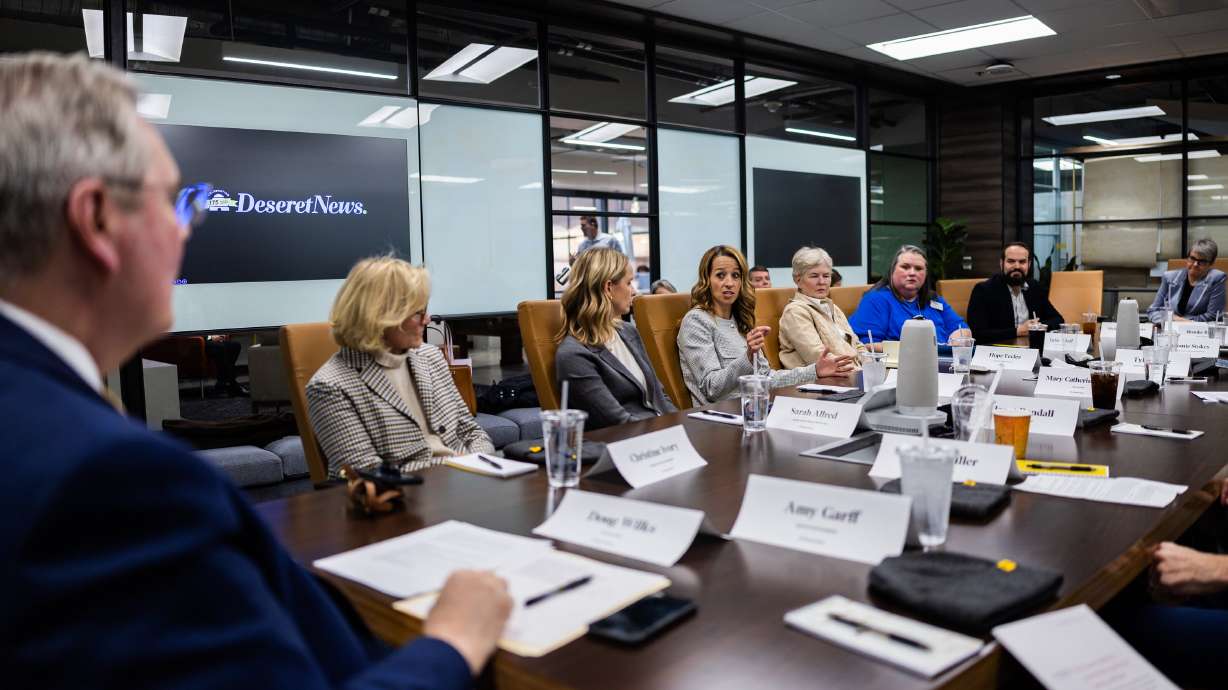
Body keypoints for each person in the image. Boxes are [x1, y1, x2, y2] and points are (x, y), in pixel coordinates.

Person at [0, 53, 510, 689]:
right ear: (97, 219)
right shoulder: (108, 475)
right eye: (172, 202)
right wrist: (455, 641)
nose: (187, 230)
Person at [307, 256, 494, 480]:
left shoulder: (430, 357)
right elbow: (366, 474)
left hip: (470, 481)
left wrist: (482, 464)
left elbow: (472, 432)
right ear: (379, 316)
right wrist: (457, 467)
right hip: (407, 496)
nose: (427, 319)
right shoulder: (329, 386)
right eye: (418, 312)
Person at [677, 245, 855, 405]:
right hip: (722, 417)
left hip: (758, 408)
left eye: (736, 275)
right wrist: (747, 357)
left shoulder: (741, 321)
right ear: (706, 279)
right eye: (720, 275)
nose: (729, 283)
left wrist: (815, 370)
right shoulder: (696, 321)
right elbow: (712, 388)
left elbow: (767, 378)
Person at [556, 248, 676, 430]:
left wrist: (682, 425)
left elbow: (659, 395)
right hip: (629, 441)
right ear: (609, 288)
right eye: (629, 283)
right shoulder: (573, 355)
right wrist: (668, 433)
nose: (634, 291)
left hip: (661, 433)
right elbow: (617, 422)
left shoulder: (628, 332)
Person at [848, 245, 971, 345]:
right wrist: (917, 350)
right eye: (905, 267)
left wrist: (956, 342)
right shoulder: (875, 300)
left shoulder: (935, 300)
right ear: (892, 271)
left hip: (945, 362)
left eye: (918, 268)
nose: (912, 273)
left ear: (926, 274)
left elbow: (962, 329)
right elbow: (867, 345)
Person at [778, 247, 867, 370]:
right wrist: (859, 372)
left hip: (851, 373)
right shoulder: (795, 312)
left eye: (826, 276)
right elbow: (820, 358)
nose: (822, 282)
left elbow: (857, 344)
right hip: (825, 378)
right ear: (798, 279)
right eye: (814, 276)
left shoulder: (833, 308)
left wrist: (871, 363)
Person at [965, 242, 1063, 343]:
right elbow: (977, 333)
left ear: (1029, 264)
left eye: (1022, 262)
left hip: (1032, 347)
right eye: (1011, 261)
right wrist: (1017, 331)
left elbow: (1058, 319)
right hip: (998, 349)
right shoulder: (983, 290)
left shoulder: (1034, 287)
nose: (1017, 266)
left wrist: (1038, 327)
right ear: (1001, 264)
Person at [1147, 238, 1226, 323]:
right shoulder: (1169, 277)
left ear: (1211, 263)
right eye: (1192, 258)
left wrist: (1182, 321)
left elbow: (1213, 316)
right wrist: (1166, 321)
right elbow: (1153, 310)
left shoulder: (1216, 278)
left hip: (1198, 329)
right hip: (1170, 327)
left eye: (1202, 261)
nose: (1195, 264)